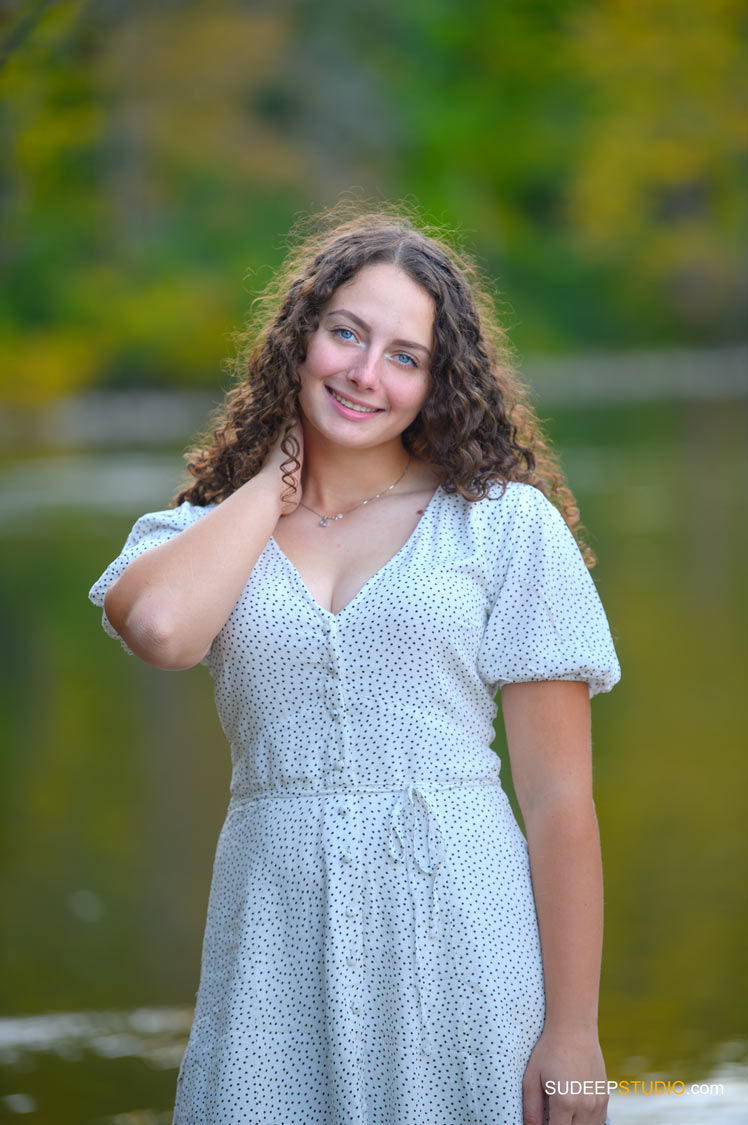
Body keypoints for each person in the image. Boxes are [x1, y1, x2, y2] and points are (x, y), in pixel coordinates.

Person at [88, 201, 620, 1125]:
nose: (366, 375)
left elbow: (559, 801)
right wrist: (269, 486)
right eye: (346, 335)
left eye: (404, 356)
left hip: (461, 929)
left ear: (437, 379)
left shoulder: (499, 523)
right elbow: (163, 629)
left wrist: (573, 1034)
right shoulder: (203, 534)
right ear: (301, 337)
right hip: (273, 942)